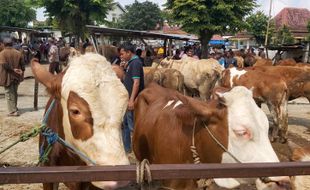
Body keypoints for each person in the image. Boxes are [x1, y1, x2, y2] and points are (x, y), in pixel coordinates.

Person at [119, 42, 144, 153]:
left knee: (132, 126)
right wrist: (124, 69)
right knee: (125, 124)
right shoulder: (130, 63)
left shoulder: (135, 63)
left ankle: (137, 150)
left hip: (132, 99)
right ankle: (127, 148)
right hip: (128, 98)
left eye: (122, 54)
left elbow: (136, 82)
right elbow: (128, 79)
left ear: (129, 52)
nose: (121, 56)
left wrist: (131, 100)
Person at [0, 37, 25, 116]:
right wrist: (21, 71)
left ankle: (13, 111)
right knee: (14, 92)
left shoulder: (2, 53)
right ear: (12, 44)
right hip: (16, 76)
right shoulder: (18, 53)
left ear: (4, 44)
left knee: (8, 93)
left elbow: (4, 65)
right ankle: (14, 108)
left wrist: (13, 70)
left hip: (7, 76)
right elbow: (23, 66)